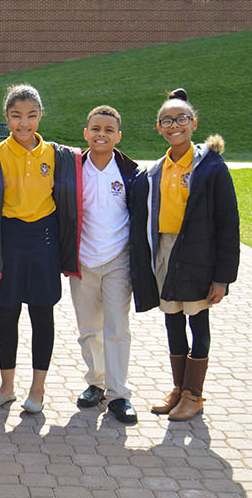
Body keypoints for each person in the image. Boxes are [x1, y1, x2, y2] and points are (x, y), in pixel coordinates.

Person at [130, 88, 239, 421]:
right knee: (172, 320)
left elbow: (228, 224)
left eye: (180, 119)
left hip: (198, 255)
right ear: (159, 127)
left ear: (193, 123)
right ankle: (178, 389)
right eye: (166, 120)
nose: (173, 125)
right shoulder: (156, 170)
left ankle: (194, 395)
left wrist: (222, 278)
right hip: (166, 250)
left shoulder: (212, 169)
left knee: (198, 321)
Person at [0, 84, 82, 414]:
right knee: (7, 315)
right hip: (8, 239)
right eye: (17, 116)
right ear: (6, 117)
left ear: (40, 116)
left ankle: (38, 389)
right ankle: (6, 387)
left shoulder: (57, 155)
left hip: (44, 240)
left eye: (32, 116)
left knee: (41, 314)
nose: (24, 123)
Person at [69, 106, 139, 424]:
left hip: (117, 260)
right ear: (86, 133)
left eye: (109, 130)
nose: (101, 134)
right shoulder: (73, 169)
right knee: (89, 330)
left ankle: (119, 394)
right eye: (95, 128)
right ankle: (95, 383)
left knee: (117, 328)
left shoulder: (130, 172)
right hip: (83, 260)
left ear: (118, 136)